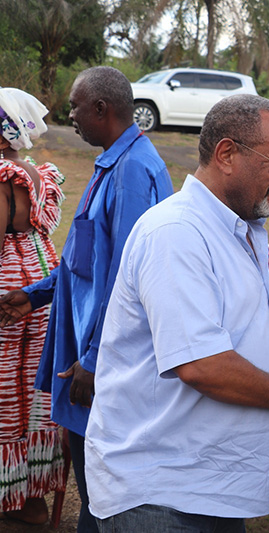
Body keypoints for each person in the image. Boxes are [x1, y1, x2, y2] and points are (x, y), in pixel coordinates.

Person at [83, 94, 269, 531]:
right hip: (162, 494)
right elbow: (202, 364)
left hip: (201, 488)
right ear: (227, 154)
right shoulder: (177, 233)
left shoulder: (240, 228)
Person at [0, 66, 173, 533]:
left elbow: (126, 277)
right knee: (91, 473)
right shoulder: (113, 163)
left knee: (102, 484)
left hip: (105, 359)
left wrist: (95, 359)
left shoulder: (134, 171)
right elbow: (84, 258)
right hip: (87, 346)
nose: (68, 115)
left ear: (101, 108)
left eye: (75, 106)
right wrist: (33, 294)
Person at [0, 88, 66, 524]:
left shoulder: (0, 176)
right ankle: (32, 499)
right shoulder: (37, 173)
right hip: (42, 283)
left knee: (5, 390)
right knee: (33, 387)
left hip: (8, 288)